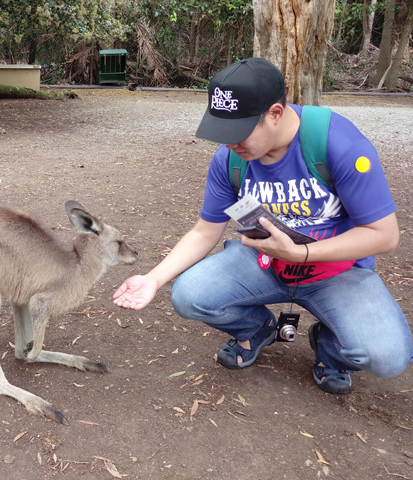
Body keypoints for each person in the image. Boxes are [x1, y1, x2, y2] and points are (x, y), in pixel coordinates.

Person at [113, 57, 412, 394]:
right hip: (265, 262)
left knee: (388, 356)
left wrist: (303, 253)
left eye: (239, 133)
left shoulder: (338, 145)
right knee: (189, 295)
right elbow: (204, 231)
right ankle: (256, 329)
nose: (230, 144)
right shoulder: (230, 160)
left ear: (275, 114)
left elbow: (385, 236)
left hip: (337, 271)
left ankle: (331, 348)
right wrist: (153, 279)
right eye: (222, 132)